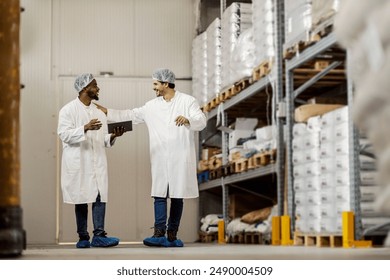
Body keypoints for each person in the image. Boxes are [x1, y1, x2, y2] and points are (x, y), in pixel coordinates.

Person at [95, 68, 207, 247]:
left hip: (180, 156)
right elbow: (130, 115)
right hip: (160, 157)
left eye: (156, 84)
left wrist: (187, 120)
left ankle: (172, 234)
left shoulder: (188, 101)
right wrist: (106, 112)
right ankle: (158, 233)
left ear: (166, 84)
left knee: (178, 195)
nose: (154, 88)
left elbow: (201, 121)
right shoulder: (151, 106)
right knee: (159, 194)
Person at [58, 73, 125, 248]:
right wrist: (85, 128)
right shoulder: (68, 110)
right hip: (79, 162)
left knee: (99, 195)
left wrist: (113, 135)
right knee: (81, 197)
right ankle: (82, 237)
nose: (98, 88)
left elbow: (102, 139)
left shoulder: (98, 112)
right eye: (95, 85)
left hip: (97, 162)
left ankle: (99, 235)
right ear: (84, 88)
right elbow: (64, 135)